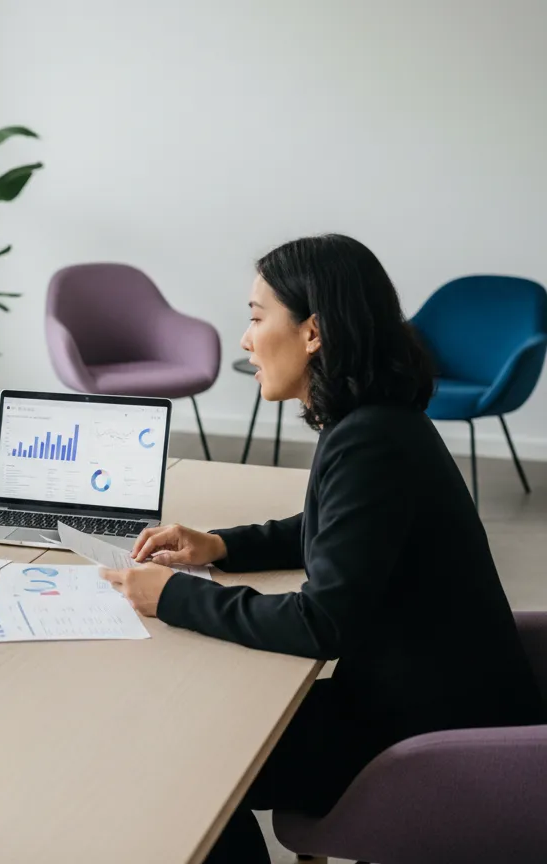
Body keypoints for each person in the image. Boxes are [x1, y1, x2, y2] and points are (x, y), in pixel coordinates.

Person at [100, 234, 545, 863]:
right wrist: (219, 545)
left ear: (313, 332)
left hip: (421, 739)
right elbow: (333, 528)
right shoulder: (379, 423)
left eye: (257, 318)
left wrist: (174, 595)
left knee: (186, 763)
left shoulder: (368, 439)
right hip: (433, 702)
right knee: (206, 733)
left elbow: (322, 623)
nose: (247, 340)